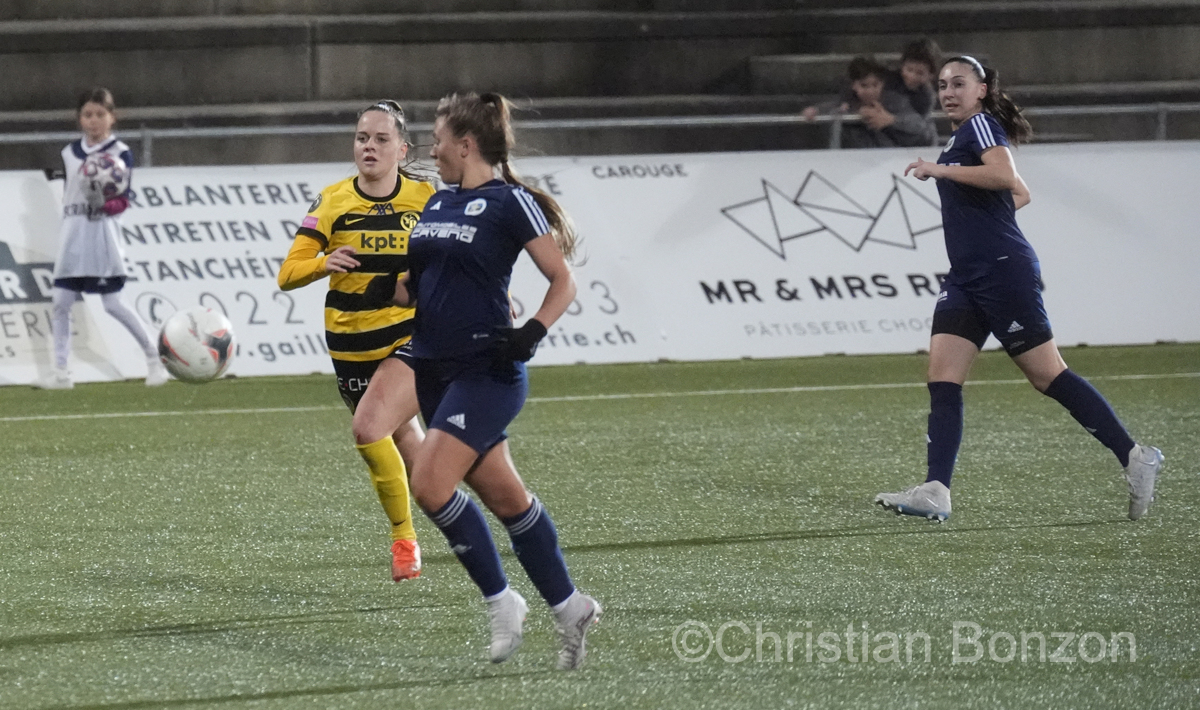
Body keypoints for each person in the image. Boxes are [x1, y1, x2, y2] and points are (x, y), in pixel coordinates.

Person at [364, 92, 600, 670]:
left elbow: (561, 280)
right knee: (507, 500)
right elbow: (419, 290)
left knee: (429, 483)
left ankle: (502, 602)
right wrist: (380, 286)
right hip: (435, 372)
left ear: (465, 145)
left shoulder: (511, 202)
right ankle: (571, 606)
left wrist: (533, 332)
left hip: (487, 371)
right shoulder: (440, 203)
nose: (433, 149)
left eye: (439, 139)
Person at [875, 56, 1163, 522]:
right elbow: (1019, 195)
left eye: (960, 84)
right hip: (968, 275)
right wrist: (985, 213)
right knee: (943, 376)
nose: (949, 92)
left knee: (1047, 376)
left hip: (1002, 270)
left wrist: (944, 173)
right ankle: (935, 489)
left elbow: (1007, 178)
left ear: (982, 89)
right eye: (944, 85)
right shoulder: (962, 135)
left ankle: (1135, 456)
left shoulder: (981, 125)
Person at [277, 100, 435, 581]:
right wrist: (324, 263)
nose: (369, 146)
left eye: (381, 139)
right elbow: (288, 274)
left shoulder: (425, 197)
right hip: (350, 344)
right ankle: (460, 521)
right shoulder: (332, 202)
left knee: (371, 431)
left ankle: (404, 540)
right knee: (405, 441)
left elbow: (457, 256)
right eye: (362, 137)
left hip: (408, 339)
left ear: (401, 148)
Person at [38, 88, 168, 389]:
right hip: (73, 235)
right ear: (79, 119)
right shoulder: (70, 153)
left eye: (100, 114)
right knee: (61, 301)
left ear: (112, 117)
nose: (93, 121)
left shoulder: (120, 153)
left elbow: (123, 201)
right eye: (87, 115)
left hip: (102, 236)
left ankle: (154, 358)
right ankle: (61, 371)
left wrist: (104, 205)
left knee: (112, 303)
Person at [804, 56, 937, 148]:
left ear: (883, 84)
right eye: (864, 86)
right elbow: (831, 107)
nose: (870, 91)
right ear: (854, 85)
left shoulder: (895, 101)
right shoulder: (847, 102)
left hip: (892, 159)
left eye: (875, 85)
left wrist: (892, 120)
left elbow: (919, 127)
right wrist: (815, 111)